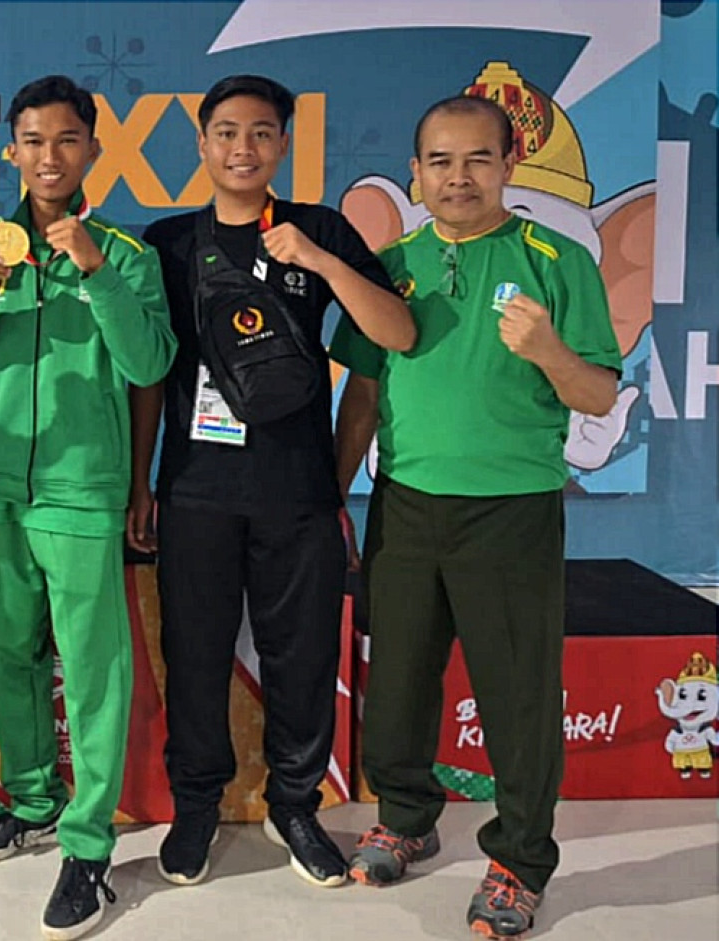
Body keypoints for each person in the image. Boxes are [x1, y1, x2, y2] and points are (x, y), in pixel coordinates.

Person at [332, 95, 620, 939]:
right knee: (401, 680)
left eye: (477, 160)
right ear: (416, 173)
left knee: (518, 694)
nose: (459, 177)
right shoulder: (389, 263)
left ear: (508, 167)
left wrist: (550, 352)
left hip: (513, 510)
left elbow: (598, 393)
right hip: (408, 504)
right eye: (441, 162)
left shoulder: (555, 260)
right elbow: (363, 393)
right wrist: (330, 495)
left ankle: (521, 858)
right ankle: (406, 816)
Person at [129, 74, 415, 889]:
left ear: (284, 144)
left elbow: (395, 330)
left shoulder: (318, 228)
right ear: (201, 144)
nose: (242, 148)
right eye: (225, 132)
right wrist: (145, 480)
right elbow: (151, 374)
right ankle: (195, 805)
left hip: (297, 489)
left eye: (260, 133)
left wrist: (317, 256)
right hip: (195, 490)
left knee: (300, 654)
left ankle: (296, 803)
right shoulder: (168, 242)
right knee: (194, 653)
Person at [0, 74, 175, 941]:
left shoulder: (124, 252)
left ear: (92, 151)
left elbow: (149, 362)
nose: (50, 157)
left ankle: (87, 846)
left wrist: (95, 272)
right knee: (11, 651)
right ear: (12, 150)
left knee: (94, 667)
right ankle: (33, 801)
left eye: (67, 140)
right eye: (33, 141)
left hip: (83, 492)